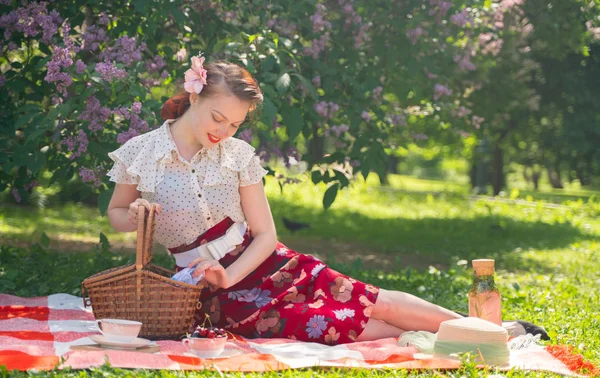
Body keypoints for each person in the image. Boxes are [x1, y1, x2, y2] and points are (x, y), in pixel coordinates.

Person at [106, 56, 545, 344]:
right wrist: (137, 215)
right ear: (194, 96)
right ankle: (480, 336)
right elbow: (116, 212)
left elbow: (265, 235)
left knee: (372, 299)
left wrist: (230, 271)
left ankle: (491, 333)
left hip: (266, 264)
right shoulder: (141, 152)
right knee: (346, 325)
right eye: (218, 117)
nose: (224, 131)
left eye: (236, 124)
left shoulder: (237, 155)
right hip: (208, 291)